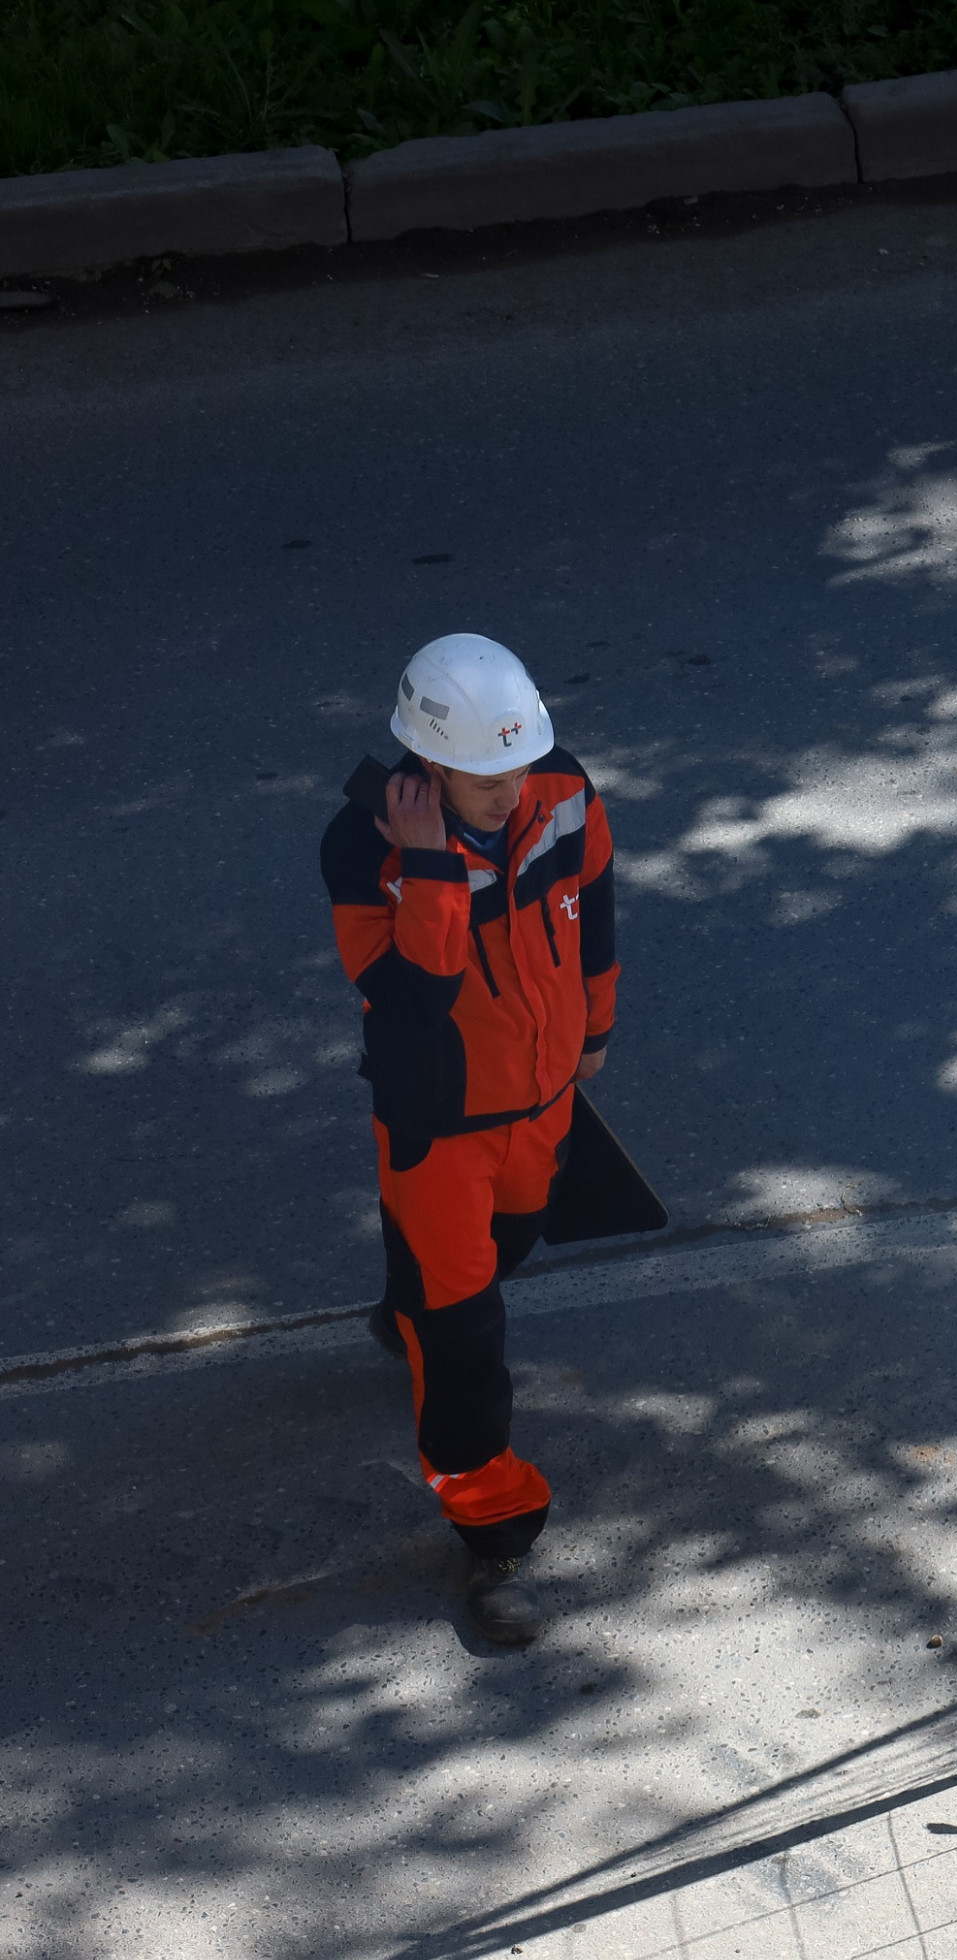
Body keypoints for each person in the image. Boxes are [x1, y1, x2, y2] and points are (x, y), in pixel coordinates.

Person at [319, 634, 617, 1646]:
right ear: (427, 762)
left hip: (541, 1108)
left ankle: (404, 1307)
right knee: (462, 1341)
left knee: (512, 1247)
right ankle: (496, 1528)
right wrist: (433, 870)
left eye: (522, 758)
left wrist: (596, 1032)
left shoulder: (563, 790)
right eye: (487, 774)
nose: (513, 787)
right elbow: (408, 1000)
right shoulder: (361, 849)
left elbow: (598, 908)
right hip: (437, 1135)